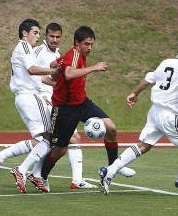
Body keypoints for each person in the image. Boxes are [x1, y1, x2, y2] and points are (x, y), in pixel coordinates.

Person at [10, 25, 135, 194]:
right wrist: (93, 68)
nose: (89, 48)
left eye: (91, 44)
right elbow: (68, 73)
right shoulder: (74, 54)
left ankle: (113, 166)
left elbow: (55, 63)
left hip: (82, 103)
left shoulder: (74, 54)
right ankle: (40, 175)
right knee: (59, 148)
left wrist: (57, 76)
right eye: (86, 44)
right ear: (77, 43)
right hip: (64, 108)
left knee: (111, 127)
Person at [99, 35, 178, 195]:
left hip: (155, 112)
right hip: (169, 116)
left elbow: (149, 79)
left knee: (144, 145)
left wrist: (135, 93)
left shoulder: (166, 63)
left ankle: (110, 170)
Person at [0, 18, 58, 194]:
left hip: (24, 97)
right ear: (24, 34)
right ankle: (22, 170)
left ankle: (3, 158)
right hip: (30, 97)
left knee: (41, 139)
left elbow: (37, 76)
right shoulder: (25, 46)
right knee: (48, 138)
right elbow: (32, 70)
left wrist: (56, 82)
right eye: (35, 32)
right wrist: (54, 70)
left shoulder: (26, 50)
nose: (37, 36)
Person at [33, 22, 96, 189]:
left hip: (64, 101)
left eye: (58, 36)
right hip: (48, 101)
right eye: (51, 36)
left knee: (65, 141)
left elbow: (54, 73)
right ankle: (29, 171)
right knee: (46, 142)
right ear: (45, 36)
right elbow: (30, 73)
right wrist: (41, 96)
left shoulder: (61, 54)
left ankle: (76, 180)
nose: (55, 40)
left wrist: (56, 76)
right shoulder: (38, 51)